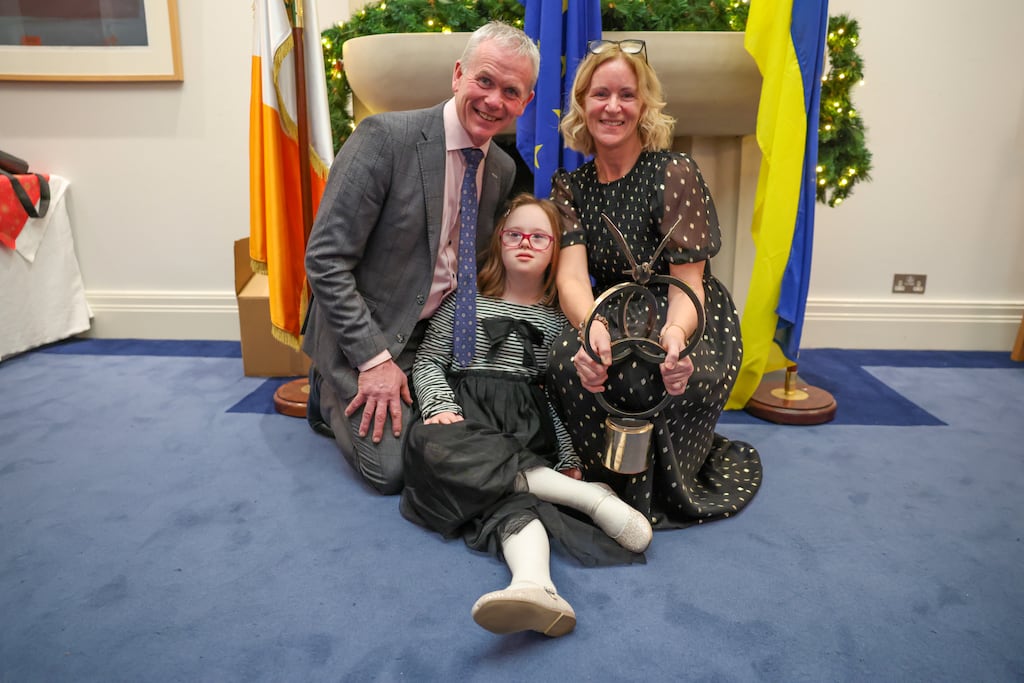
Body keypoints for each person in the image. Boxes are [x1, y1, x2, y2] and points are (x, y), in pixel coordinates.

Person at [302, 21, 539, 494]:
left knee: (512, 430)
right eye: (485, 81)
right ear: (458, 75)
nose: (494, 100)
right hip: (369, 336)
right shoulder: (384, 138)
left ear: (525, 102)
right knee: (395, 471)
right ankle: (327, 390)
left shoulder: (502, 169)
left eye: (511, 91)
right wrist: (372, 361)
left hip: (437, 340)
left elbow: (469, 268)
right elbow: (325, 260)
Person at [400, 195, 651, 638]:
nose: (525, 243)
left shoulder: (558, 320)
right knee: (426, 442)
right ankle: (572, 528)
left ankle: (543, 567)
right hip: (465, 416)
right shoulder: (464, 302)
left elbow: (552, 396)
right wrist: (441, 406)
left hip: (523, 421)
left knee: (499, 495)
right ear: (499, 240)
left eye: (539, 237)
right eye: (514, 234)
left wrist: (567, 452)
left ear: (557, 249)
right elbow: (427, 363)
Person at [547, 38, 764, 529]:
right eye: (601, 94)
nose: (613, 107)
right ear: (583, 103)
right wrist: (590, 328)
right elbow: (573, 277)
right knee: (566, 360)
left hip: (682, 308)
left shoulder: (675, 172)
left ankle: (641, 499)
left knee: (644, 369)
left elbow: (690, 281)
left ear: (644, 105)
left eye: (627, 94)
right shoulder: (570, 186)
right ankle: (595, 483)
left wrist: (675, 336)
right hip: (610, 307)